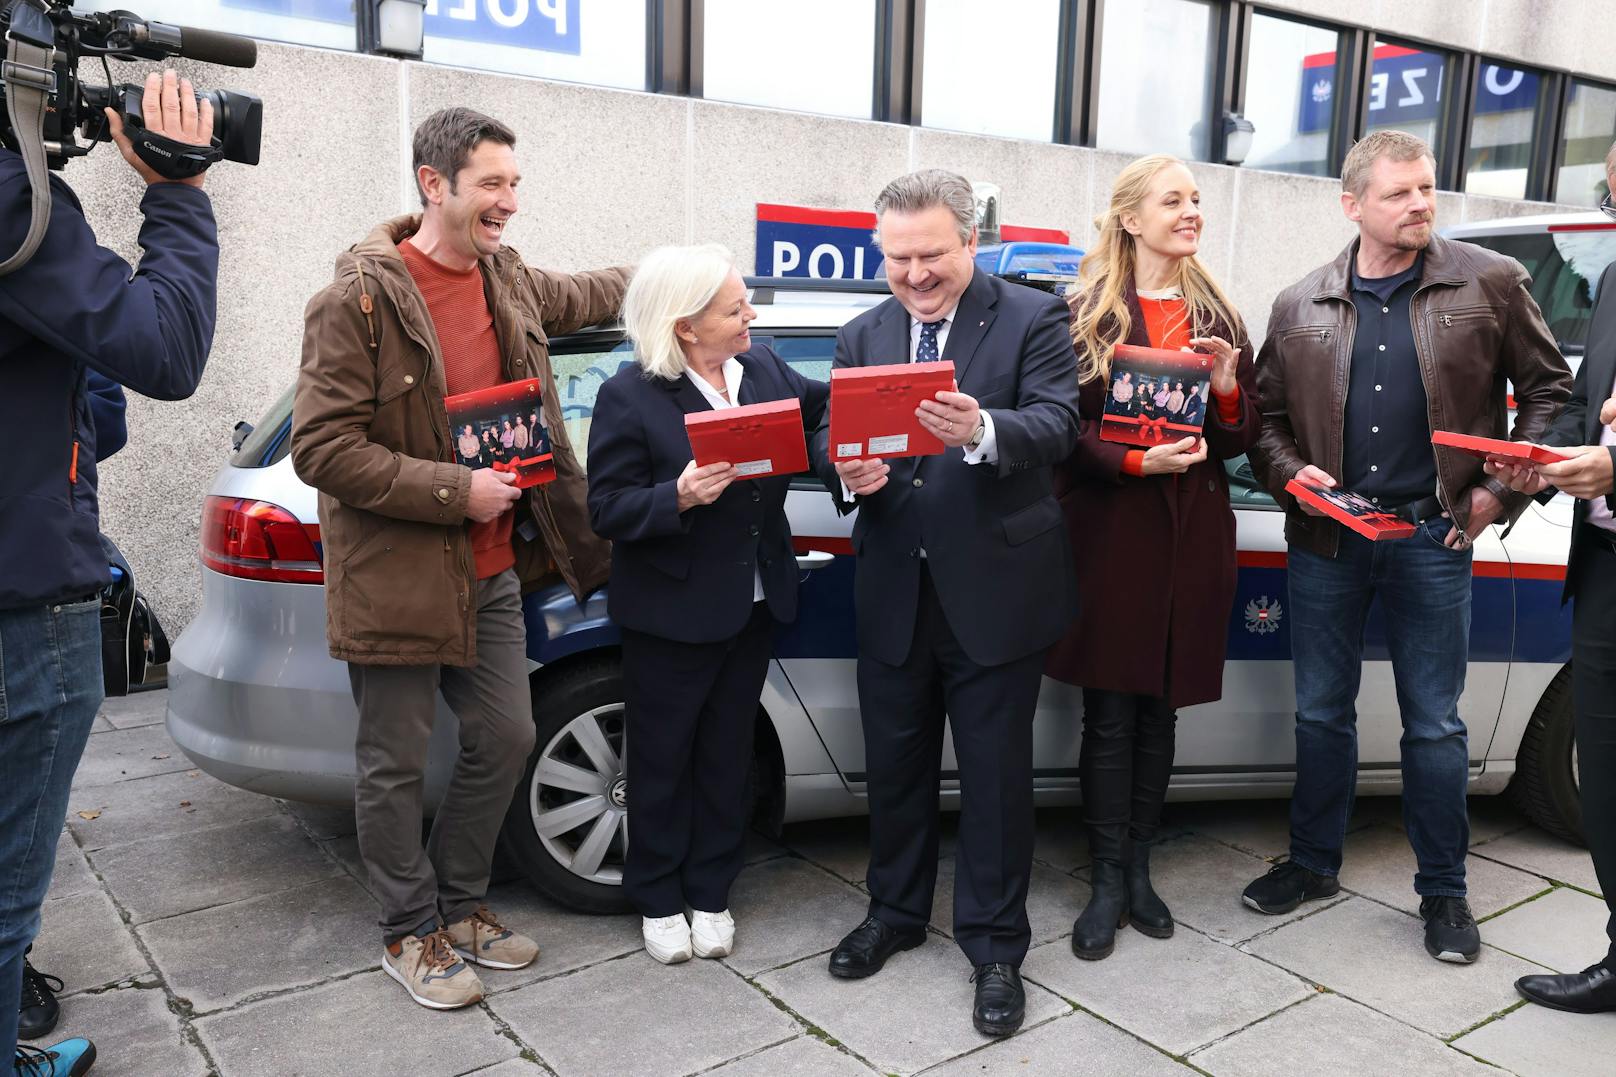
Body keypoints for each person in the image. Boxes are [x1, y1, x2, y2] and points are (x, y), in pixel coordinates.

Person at [291, 107, 627, 1011]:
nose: (510, 201)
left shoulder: (505, 277)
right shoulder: (356, 300)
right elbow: (321, 448)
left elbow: (590, 293)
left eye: (515, 183)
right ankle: (409, 931)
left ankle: (463, 903)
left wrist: (683, 274)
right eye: (492, 183)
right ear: (434, 185)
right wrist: (454, 490)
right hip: (398, 575)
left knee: (508, 733)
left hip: (493, 572)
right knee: (392, 764)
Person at [1244, 130, 1571, 964]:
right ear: (1352, 204)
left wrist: (1496, 496)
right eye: (1400, 192)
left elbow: (1549, 393)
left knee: (1435, 725)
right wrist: (1296, 479)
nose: (1421, 203)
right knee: (1321, 712)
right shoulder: (1299, 302)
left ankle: (1444, 893)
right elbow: (1264, 421)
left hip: (1435, 534)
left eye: (1427, 188)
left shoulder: (1490, 282)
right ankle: (1313, 863)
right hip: (1327, 539)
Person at [811, 169, 1081, 1038]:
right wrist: (841, 470)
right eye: (898, 258)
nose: (916, 273)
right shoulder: (863, 332)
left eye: (932, 254)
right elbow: (828, 434)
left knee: (997, 780)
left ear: (971, 241)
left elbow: (1060, 423)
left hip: (997, 590)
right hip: (895, 586)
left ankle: (997, 947)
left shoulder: (1035, 317)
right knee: (894, 766)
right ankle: (893, 912)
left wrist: (985, 430)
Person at [1, 69, 219, 1077]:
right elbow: (162, 350)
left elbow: (108, 409)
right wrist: (176, 192)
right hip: (22, 606)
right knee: (7, 895)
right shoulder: (16, 200)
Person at [586, 244, 828, 964]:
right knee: (662, 759)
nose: (751, 315)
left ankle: (711, 891)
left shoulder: (766, 370)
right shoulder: (630, 394)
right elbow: (607, 506)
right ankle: (658, 897)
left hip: (754, 602)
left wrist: (853, 444)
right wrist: (678, 496)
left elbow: (819, 423)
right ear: (687, 326)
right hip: (671, 609)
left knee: (728, 753)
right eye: (735, 308)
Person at [1046, 154, 1259, 961]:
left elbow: (1239, 439)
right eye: (1175, 200)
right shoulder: (1083, 315)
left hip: (1192, 538)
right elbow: (1060, 432)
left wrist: (1232, 386)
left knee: (1160, 711)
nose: (1192, 211)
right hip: (1112, 536)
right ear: (1131, 218)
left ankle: (1139, 869)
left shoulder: (1221, 314)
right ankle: (1104, 878)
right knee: (1109, 718)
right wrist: (1133, 462)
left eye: (1197, 199)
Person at [1487, 151, 1616, 1008]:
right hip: (1605, 569)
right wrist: (1539, 460)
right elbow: (1583, 398)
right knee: (1603, 780)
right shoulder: (1611, 277)